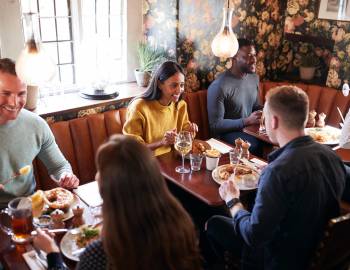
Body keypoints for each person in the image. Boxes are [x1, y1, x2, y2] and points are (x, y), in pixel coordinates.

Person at [206, 85, 346, 270]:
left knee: (214, 223)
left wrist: (232, 200)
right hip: (320, 254)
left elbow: (254, 236)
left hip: (279, 259)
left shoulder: (278, 173)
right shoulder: (333, 158)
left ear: (273, 121)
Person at [33, 135, 202, 270]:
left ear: (108, 188)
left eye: (100, 170)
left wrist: (51, 252)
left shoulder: (100, 253)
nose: (96, 175)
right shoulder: (183, 224)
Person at [0, 58, 78, 208]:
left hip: (28, 208)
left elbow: (59, 166)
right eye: (6, 93)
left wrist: (65, 176)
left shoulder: (36, 124)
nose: (14, 102)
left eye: (21, 93)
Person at [123, 60, 197, 156]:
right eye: (174, 85)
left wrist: (190, 132)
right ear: (159, 84)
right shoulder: (139, 107)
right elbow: (133, 148)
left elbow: (182, 139)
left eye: (182, 85)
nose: (179, 90)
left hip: (171, 159)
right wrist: (161, 142)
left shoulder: (180, 105)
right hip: (144, 162)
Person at [207, 38, 262, 155]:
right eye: (248, 56)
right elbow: (215, 125)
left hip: (249, 129)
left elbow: (256, 107)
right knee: (255, 145)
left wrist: (267, 112)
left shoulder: (254, 78)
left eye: (254, 55)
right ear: (234, 58)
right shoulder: (219, 86)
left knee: (276, 140)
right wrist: (246, 121)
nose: (254, 60)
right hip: (226, 134)